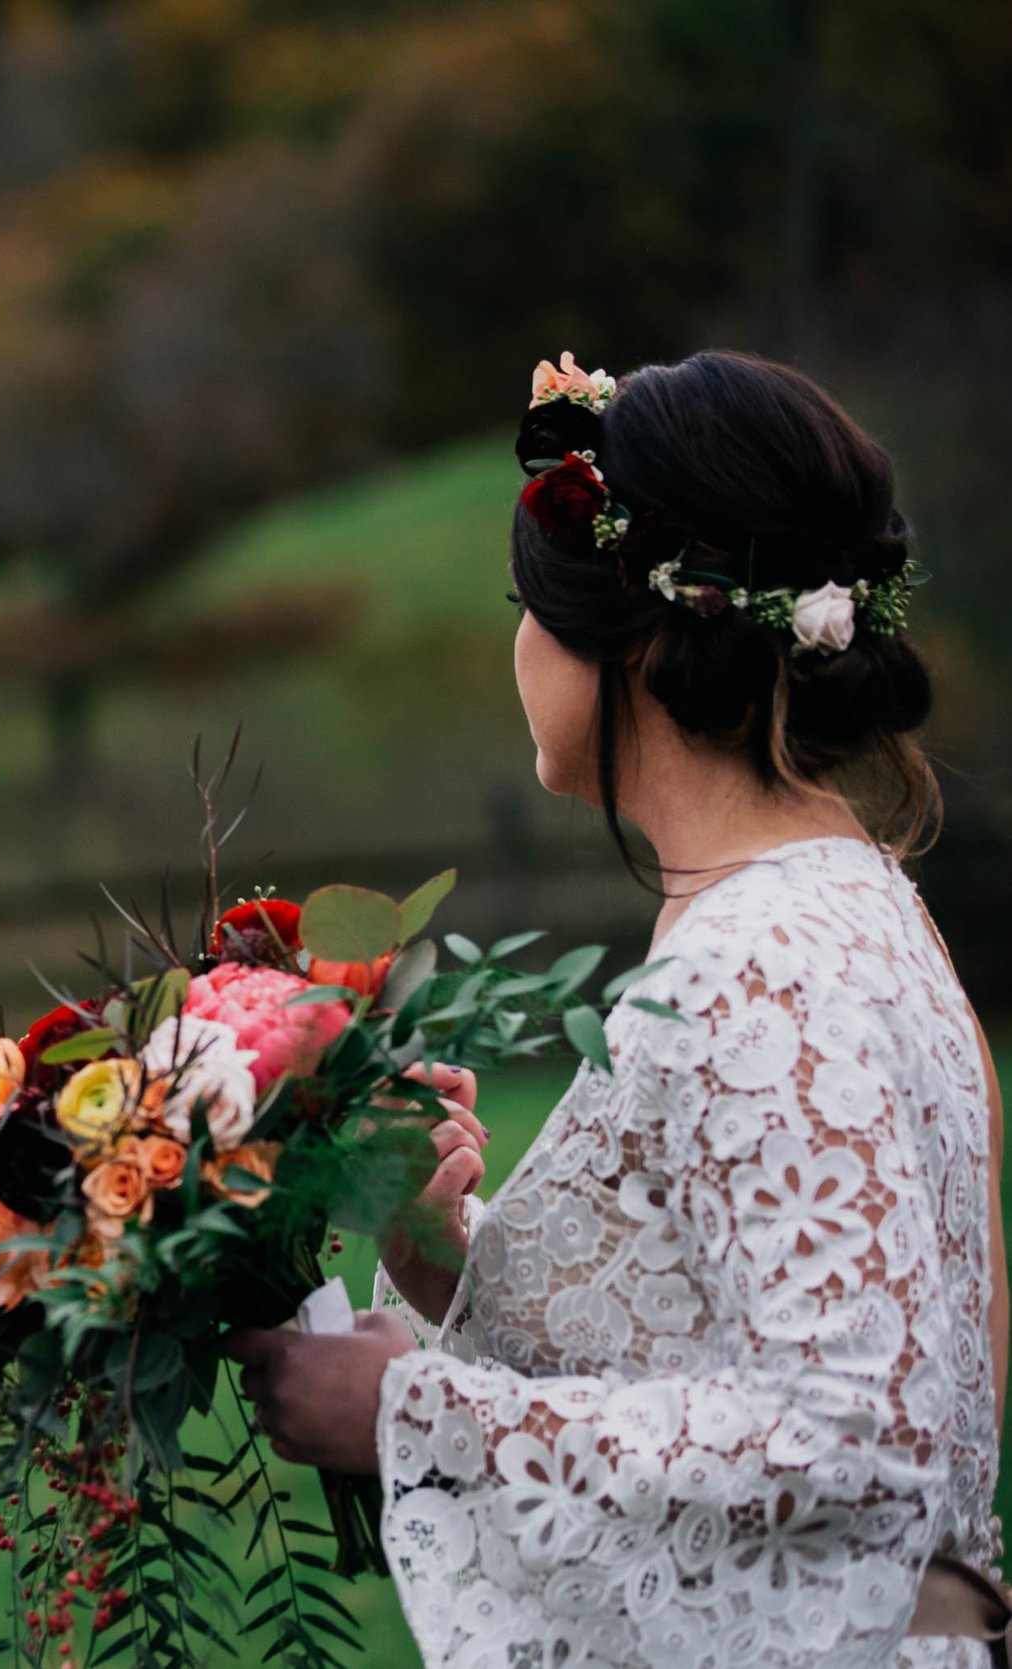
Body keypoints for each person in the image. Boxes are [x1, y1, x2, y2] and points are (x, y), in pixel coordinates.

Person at [229, 350, 1008, 1665]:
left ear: (638, 638)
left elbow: (853, 1428)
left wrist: (414, 1416)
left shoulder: (765, 965)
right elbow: (709, 1340)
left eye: (531, 604)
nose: (520, 644)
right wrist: (439, 1249)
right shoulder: (840, 900)